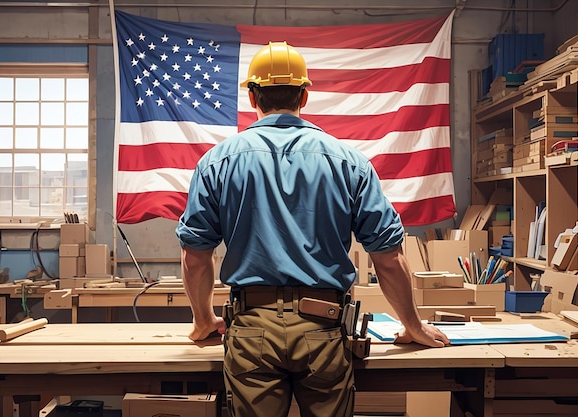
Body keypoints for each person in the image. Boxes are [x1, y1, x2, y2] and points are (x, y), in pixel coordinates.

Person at [176, 41, 449, 417]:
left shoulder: (217, 162)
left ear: (253, 96)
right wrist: (413, 325)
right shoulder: (349, 162)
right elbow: (388, 258)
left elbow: (195, 257)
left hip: (252, 327)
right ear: (304, 95)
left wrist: (204, 321)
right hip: (324, 327)